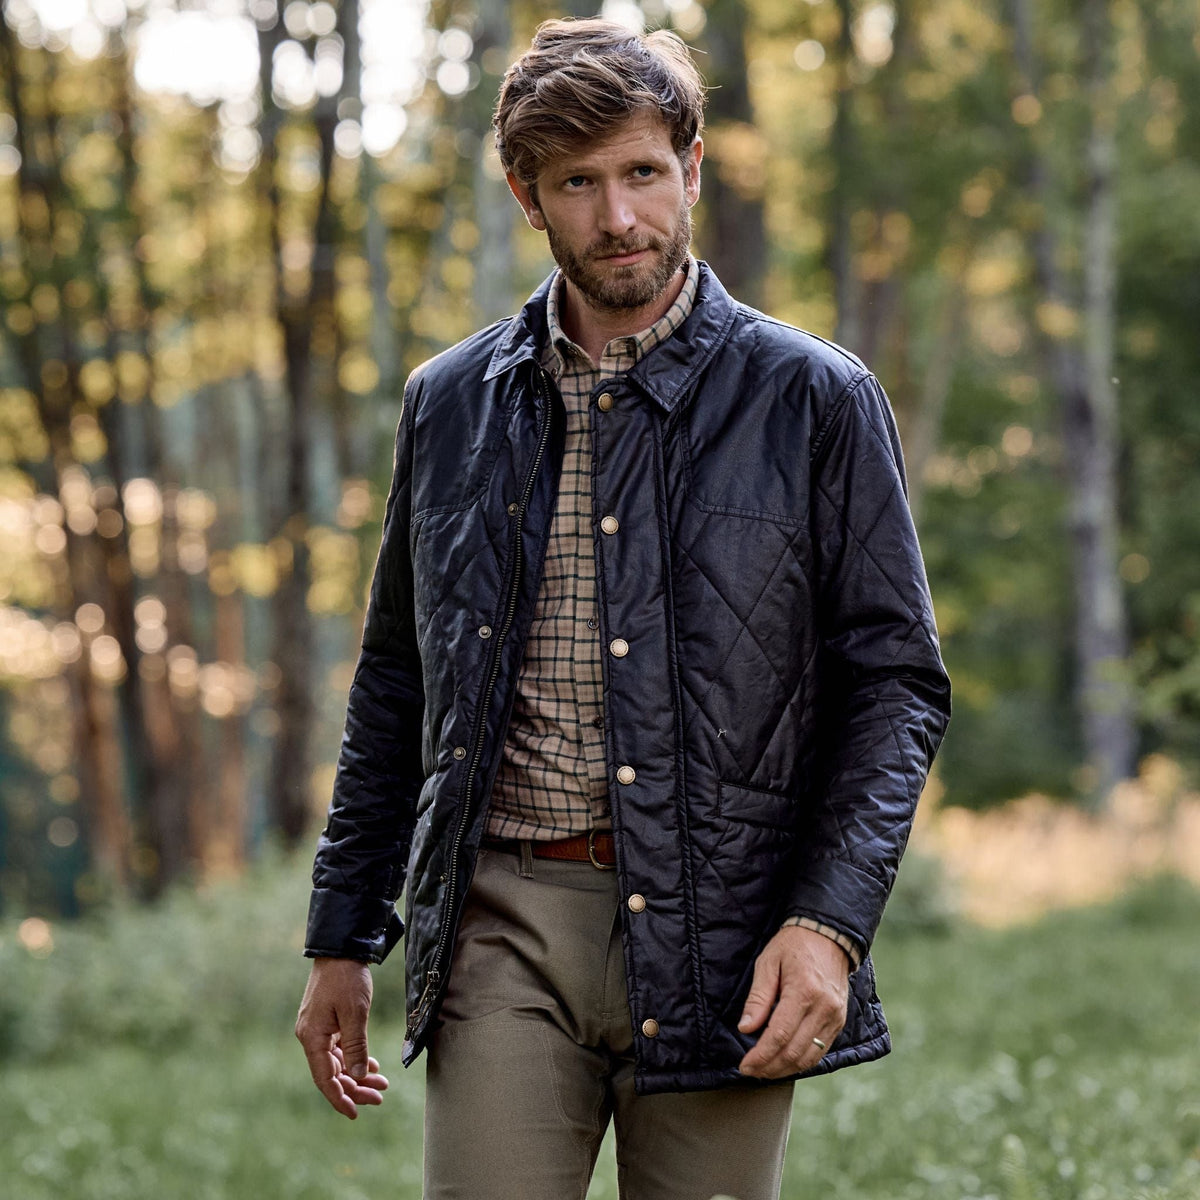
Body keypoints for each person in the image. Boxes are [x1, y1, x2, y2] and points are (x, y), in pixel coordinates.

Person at [295, 17, 951, 1200]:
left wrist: (829, 922)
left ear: (691, 167)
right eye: (579, 184)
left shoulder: (816, 398)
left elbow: (895, 685)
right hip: (506, 919)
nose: (620, 220)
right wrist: (343, 932)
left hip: (728, 930)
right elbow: (397, 678)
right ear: (526, 194)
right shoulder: (448, 405)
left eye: (644, 173)